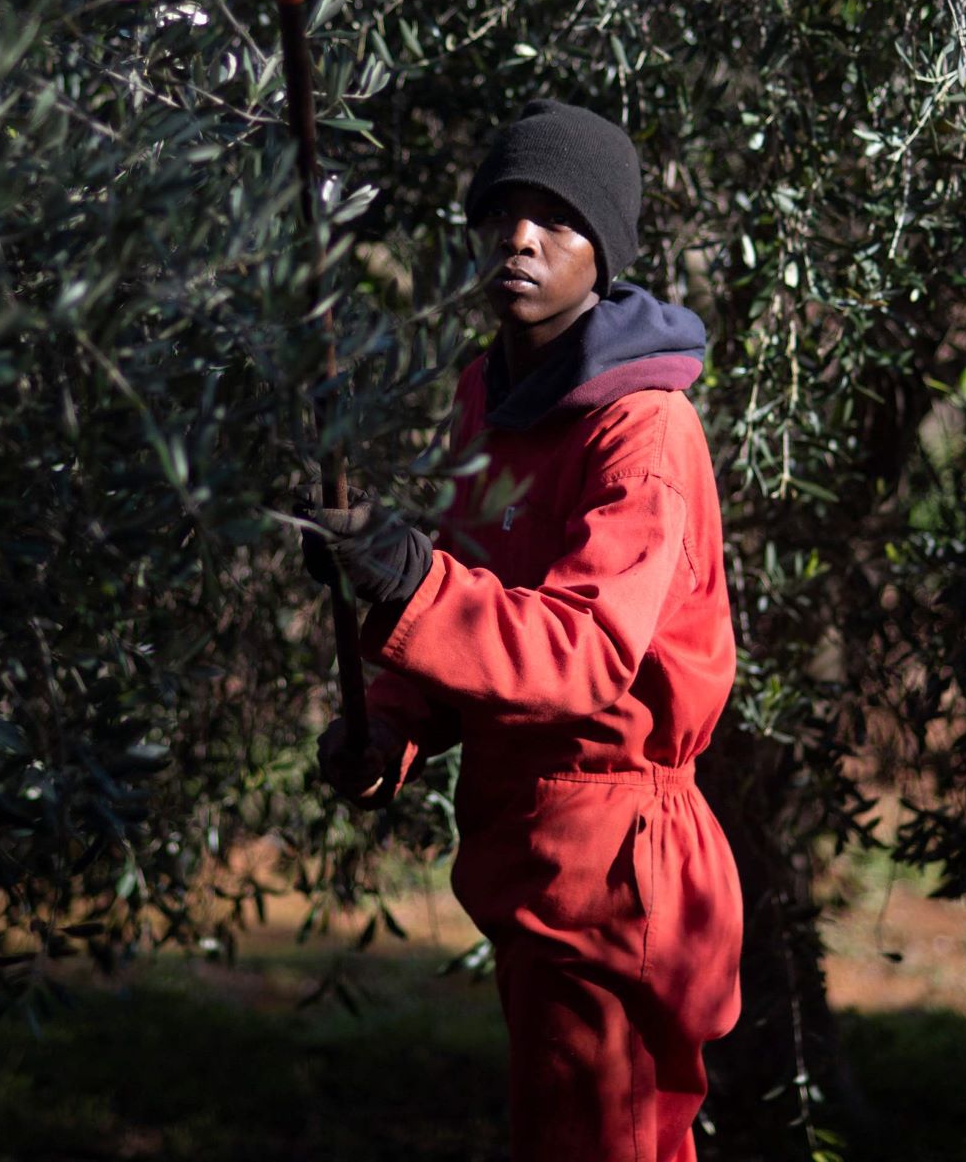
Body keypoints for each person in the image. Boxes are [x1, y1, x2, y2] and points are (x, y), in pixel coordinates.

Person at [299, 98, 744, 1162]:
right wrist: (391, 728)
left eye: (557, 217)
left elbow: (583, 655)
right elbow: (478, 601)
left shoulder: (642, 426)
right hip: (531, 858)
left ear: (606, 251)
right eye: (502, 213)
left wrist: (406, 578)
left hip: (617, 873)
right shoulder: (488, 395)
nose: (521, 238)